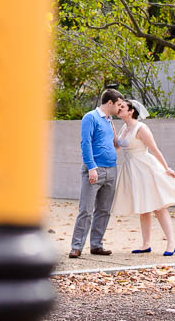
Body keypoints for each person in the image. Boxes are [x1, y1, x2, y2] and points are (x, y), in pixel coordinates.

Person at [111, 99, 175, 256]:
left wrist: (167, 168)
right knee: (143, 208)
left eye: (122, 107)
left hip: (146, 168)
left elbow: (154, 149)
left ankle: (171, 243)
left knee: (159, 206)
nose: (119, 109)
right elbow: (117, 147)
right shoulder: (124, 128)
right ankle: (146, 244)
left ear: (131, 111)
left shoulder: (141, 128)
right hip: (132, 170)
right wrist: (111, 129)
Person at [68, 88, 125, 258]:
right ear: (110, 103)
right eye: (119, 105)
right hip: (94, 170)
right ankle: (76, 246)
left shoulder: (109, 121)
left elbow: (115, 145)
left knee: (104, 210)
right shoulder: (90, 117)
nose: (120, 108)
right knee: (85, 209)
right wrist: (91, 167)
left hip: (111, 169)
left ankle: (96, 244)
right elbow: (85, 144)